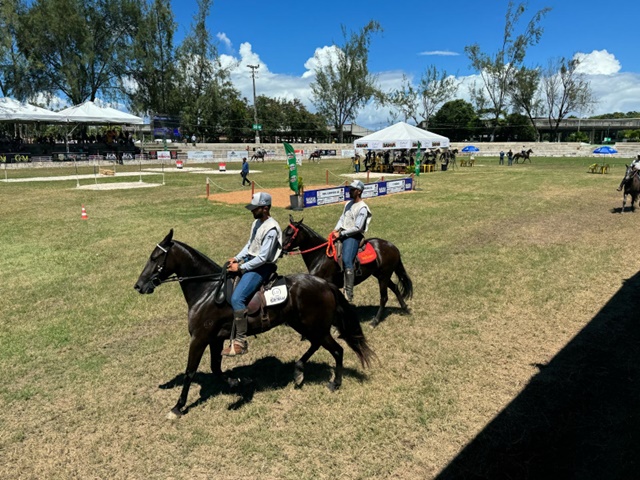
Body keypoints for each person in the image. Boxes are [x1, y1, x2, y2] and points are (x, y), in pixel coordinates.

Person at [223, 192, 282, 356]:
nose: (252, 211)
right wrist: (236, 258)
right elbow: (250, 245)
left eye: (254, 208)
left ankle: (240, 341)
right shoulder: (256, 223)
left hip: (262, 267)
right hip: (251, 261)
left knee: (237, 298)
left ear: (264, 208)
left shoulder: (271, 228)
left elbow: (263, 257)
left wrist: (241, 268)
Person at [331, 180, 372, 302]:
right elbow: (342, 218)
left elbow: (358, 228)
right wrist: (335, 229)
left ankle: (348, 293)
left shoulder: (363, 208)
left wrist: (341, 233)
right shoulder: (348, 204)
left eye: (352, 189)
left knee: (347, 260)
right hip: (342, 233)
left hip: (353, 237)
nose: (349, 191)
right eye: (350, 189)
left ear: (359, 192)